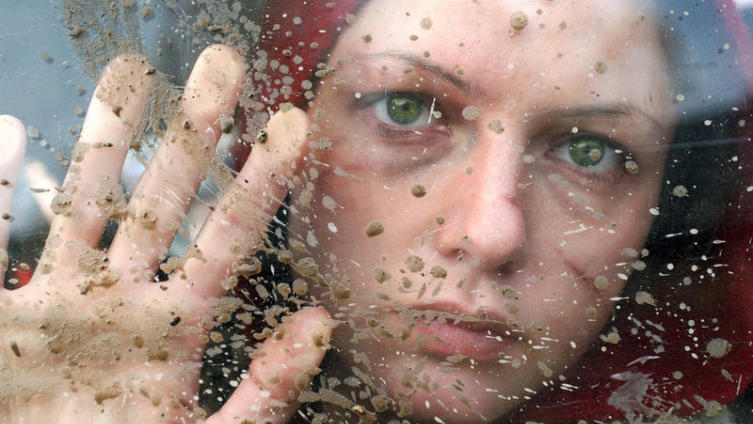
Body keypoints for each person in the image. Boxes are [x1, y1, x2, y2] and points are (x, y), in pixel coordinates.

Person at [1, 1, 753, 423]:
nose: (490, 233)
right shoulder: (61, 352)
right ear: (281, 140)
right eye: (406, 108)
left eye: (590, 152)